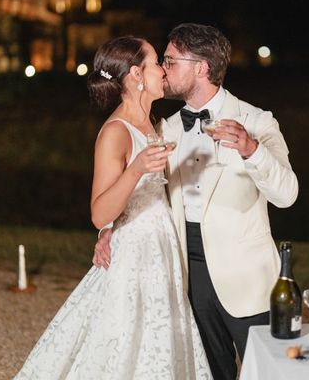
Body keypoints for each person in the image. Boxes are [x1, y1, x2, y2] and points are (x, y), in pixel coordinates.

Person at [94, 23, 299, 380]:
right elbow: (143, 184)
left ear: (201, 68)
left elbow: (287, 194)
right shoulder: (165, 130)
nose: (164, 68)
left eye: (171, 60)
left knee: (271, 373)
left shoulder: (257, 121)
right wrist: (112, 227)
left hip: (246, 278)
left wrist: (252, 150)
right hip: (185, 277)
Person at [14, 37, 212, 379]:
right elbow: (98, 213)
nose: (164, 71)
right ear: (136, 74)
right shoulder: (115, 133)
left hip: (162, 248)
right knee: (125, 344)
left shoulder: (153, 123)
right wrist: (135, 170)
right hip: (135, 255)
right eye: (156, 64)